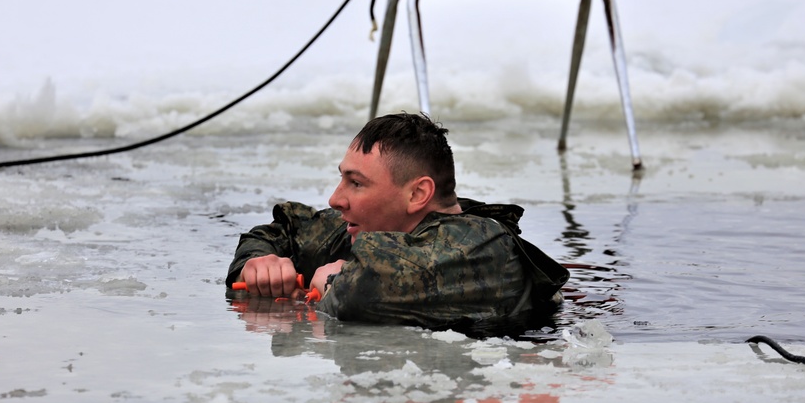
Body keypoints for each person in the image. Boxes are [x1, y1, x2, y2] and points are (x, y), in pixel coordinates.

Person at [226, 113, 568, 337]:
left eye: (356, 183)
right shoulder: (370, 226)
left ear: (418, 193)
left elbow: (361, 291)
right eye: (342, 179)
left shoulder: (482, 247)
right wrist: (259, 262)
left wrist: (333, 278)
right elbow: (285, 229)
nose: (335, 199)